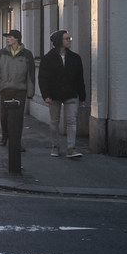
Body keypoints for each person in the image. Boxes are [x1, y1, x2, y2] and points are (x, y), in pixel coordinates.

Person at [38, 29, 86, 158]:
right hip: (54, 94)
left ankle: (71, 148)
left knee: (72, 121)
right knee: (54, 121)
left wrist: (82, 96)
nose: (69, 41)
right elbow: (43, 78)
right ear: (59, 41)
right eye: (67, 39)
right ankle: (55, 147)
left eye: (69, 38)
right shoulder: (48, 58)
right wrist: (46, 95)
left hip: (71, 93)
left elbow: (80, 78)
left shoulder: (75, 58)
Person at [0, 29, 35, 148]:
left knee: (18, 118)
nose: (7, 39)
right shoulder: (2, 53)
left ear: (17, 39)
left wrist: (30, 92)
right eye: (7, 37)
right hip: (6, 89)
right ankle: (5, 136)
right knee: (4, 116)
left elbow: (30, 74)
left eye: (10, 37)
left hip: (20, 90)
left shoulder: (27, 54)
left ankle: (17, 142)